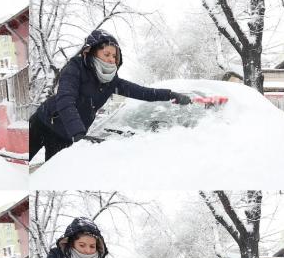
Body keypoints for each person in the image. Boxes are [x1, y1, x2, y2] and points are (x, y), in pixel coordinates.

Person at [29, 29, 192, 161]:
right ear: (91, 52)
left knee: (51, 177)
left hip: (65, 138)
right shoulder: (75, 68)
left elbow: (143, 92)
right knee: (20, 164)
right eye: (106, 54)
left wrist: (172, 95)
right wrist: (78, 133)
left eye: (114, 56)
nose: (111, 59)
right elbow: (65, 100)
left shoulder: (112, 82)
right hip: (42, 124)